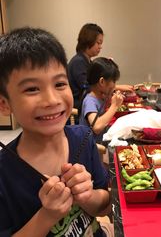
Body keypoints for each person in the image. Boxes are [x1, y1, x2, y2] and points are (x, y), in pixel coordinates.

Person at [0, 27, 111, 237]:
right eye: (32, 88)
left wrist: (88, 196)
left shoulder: (82, 139)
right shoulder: (5, 174)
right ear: (4, 104)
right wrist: (47, 216)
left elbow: (105, 206)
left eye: (60, 83)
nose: (52, 100)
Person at [68, 23, 134, 110]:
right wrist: (116, 87)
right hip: (80, 109)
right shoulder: (78, 62)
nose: (100, 47)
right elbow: (90, 88)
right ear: (88, 41)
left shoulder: (87, 61)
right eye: (98, 43)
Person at [79, 57, 124, 143]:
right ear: (102, 82)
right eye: (113, 81)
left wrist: (110, 97)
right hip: (90, 148)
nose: (115, 85)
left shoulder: (100, 96)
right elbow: (96, 127)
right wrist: (114, 106)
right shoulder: (90, 101)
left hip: (99, 141)